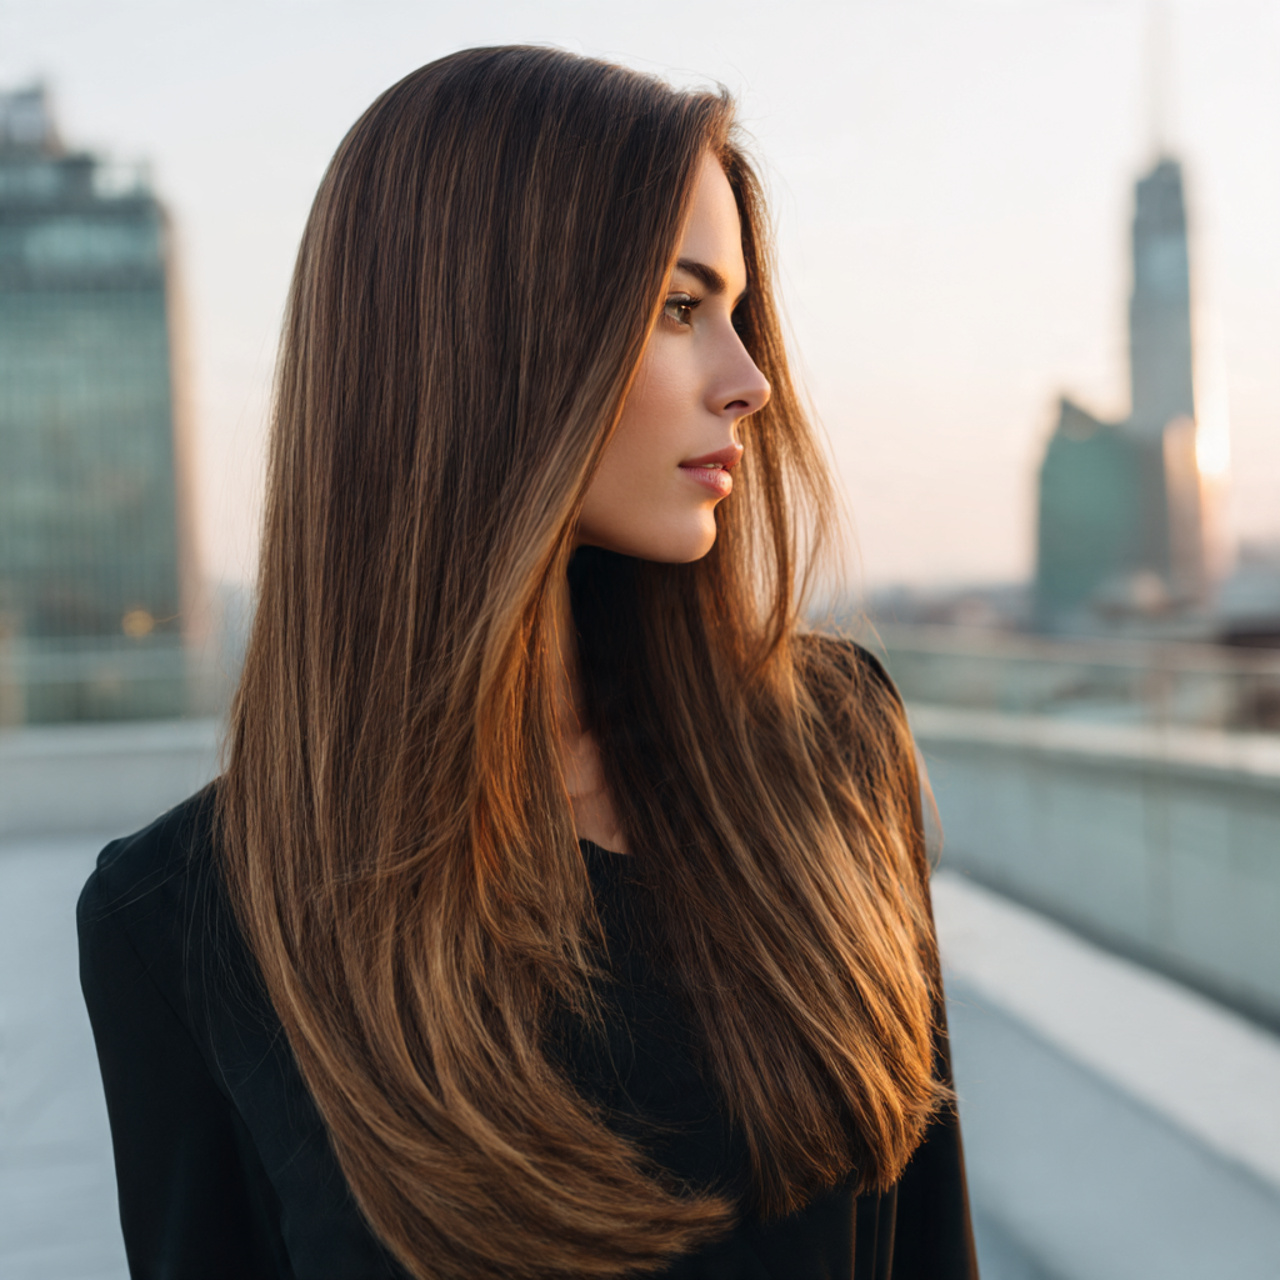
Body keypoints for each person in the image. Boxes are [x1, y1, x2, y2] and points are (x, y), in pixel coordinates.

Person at [78, 45, 979, 1280]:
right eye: (678, 307)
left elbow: (928, 1242)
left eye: (736, 311)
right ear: (489, 341)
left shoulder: (831, 748)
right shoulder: (182, 923)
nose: (748, 381)